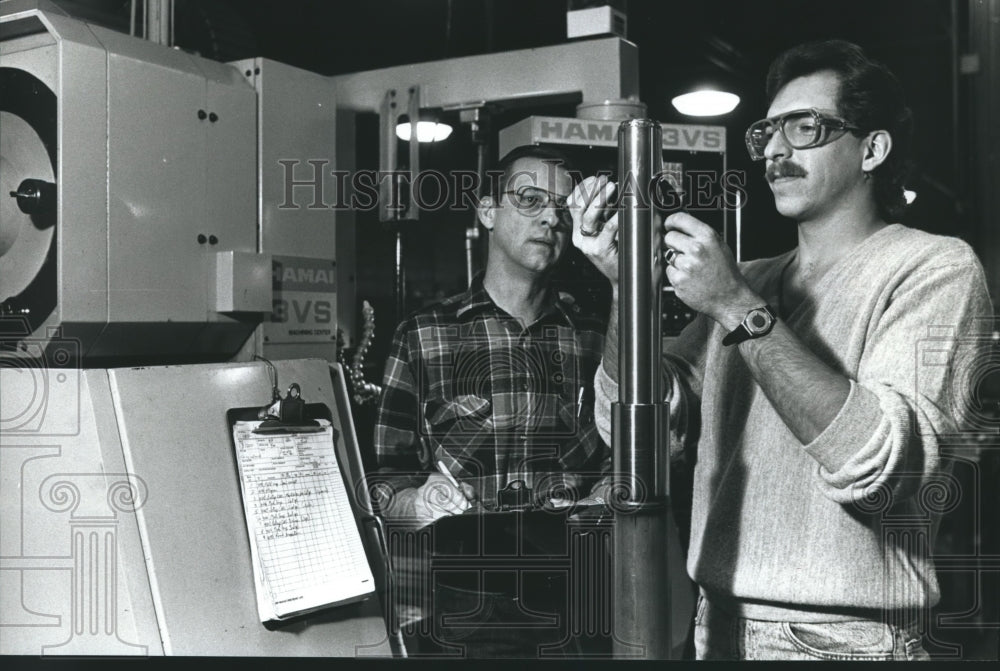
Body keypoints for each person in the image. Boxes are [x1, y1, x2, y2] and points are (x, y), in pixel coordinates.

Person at [571, 39, 993, 661]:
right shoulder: (754, 279)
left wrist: (736, 308)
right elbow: (641, 428)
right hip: (720, 625)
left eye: (806, 127)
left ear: (872, 148)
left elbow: (881, 467)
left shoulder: (932, 268)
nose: (774, 150)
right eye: (767, 131)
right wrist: (625, 289)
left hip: (843, 641)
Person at [371, 144, 612, 657]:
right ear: (487, 211)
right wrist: (417, 502)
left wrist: (602, 502)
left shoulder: (595, 335)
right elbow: (382, 488)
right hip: (464, 606)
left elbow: (631, 460)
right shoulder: (425, 336)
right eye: (529, 198)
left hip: (582, 598)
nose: (551, 216)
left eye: (563, 208)